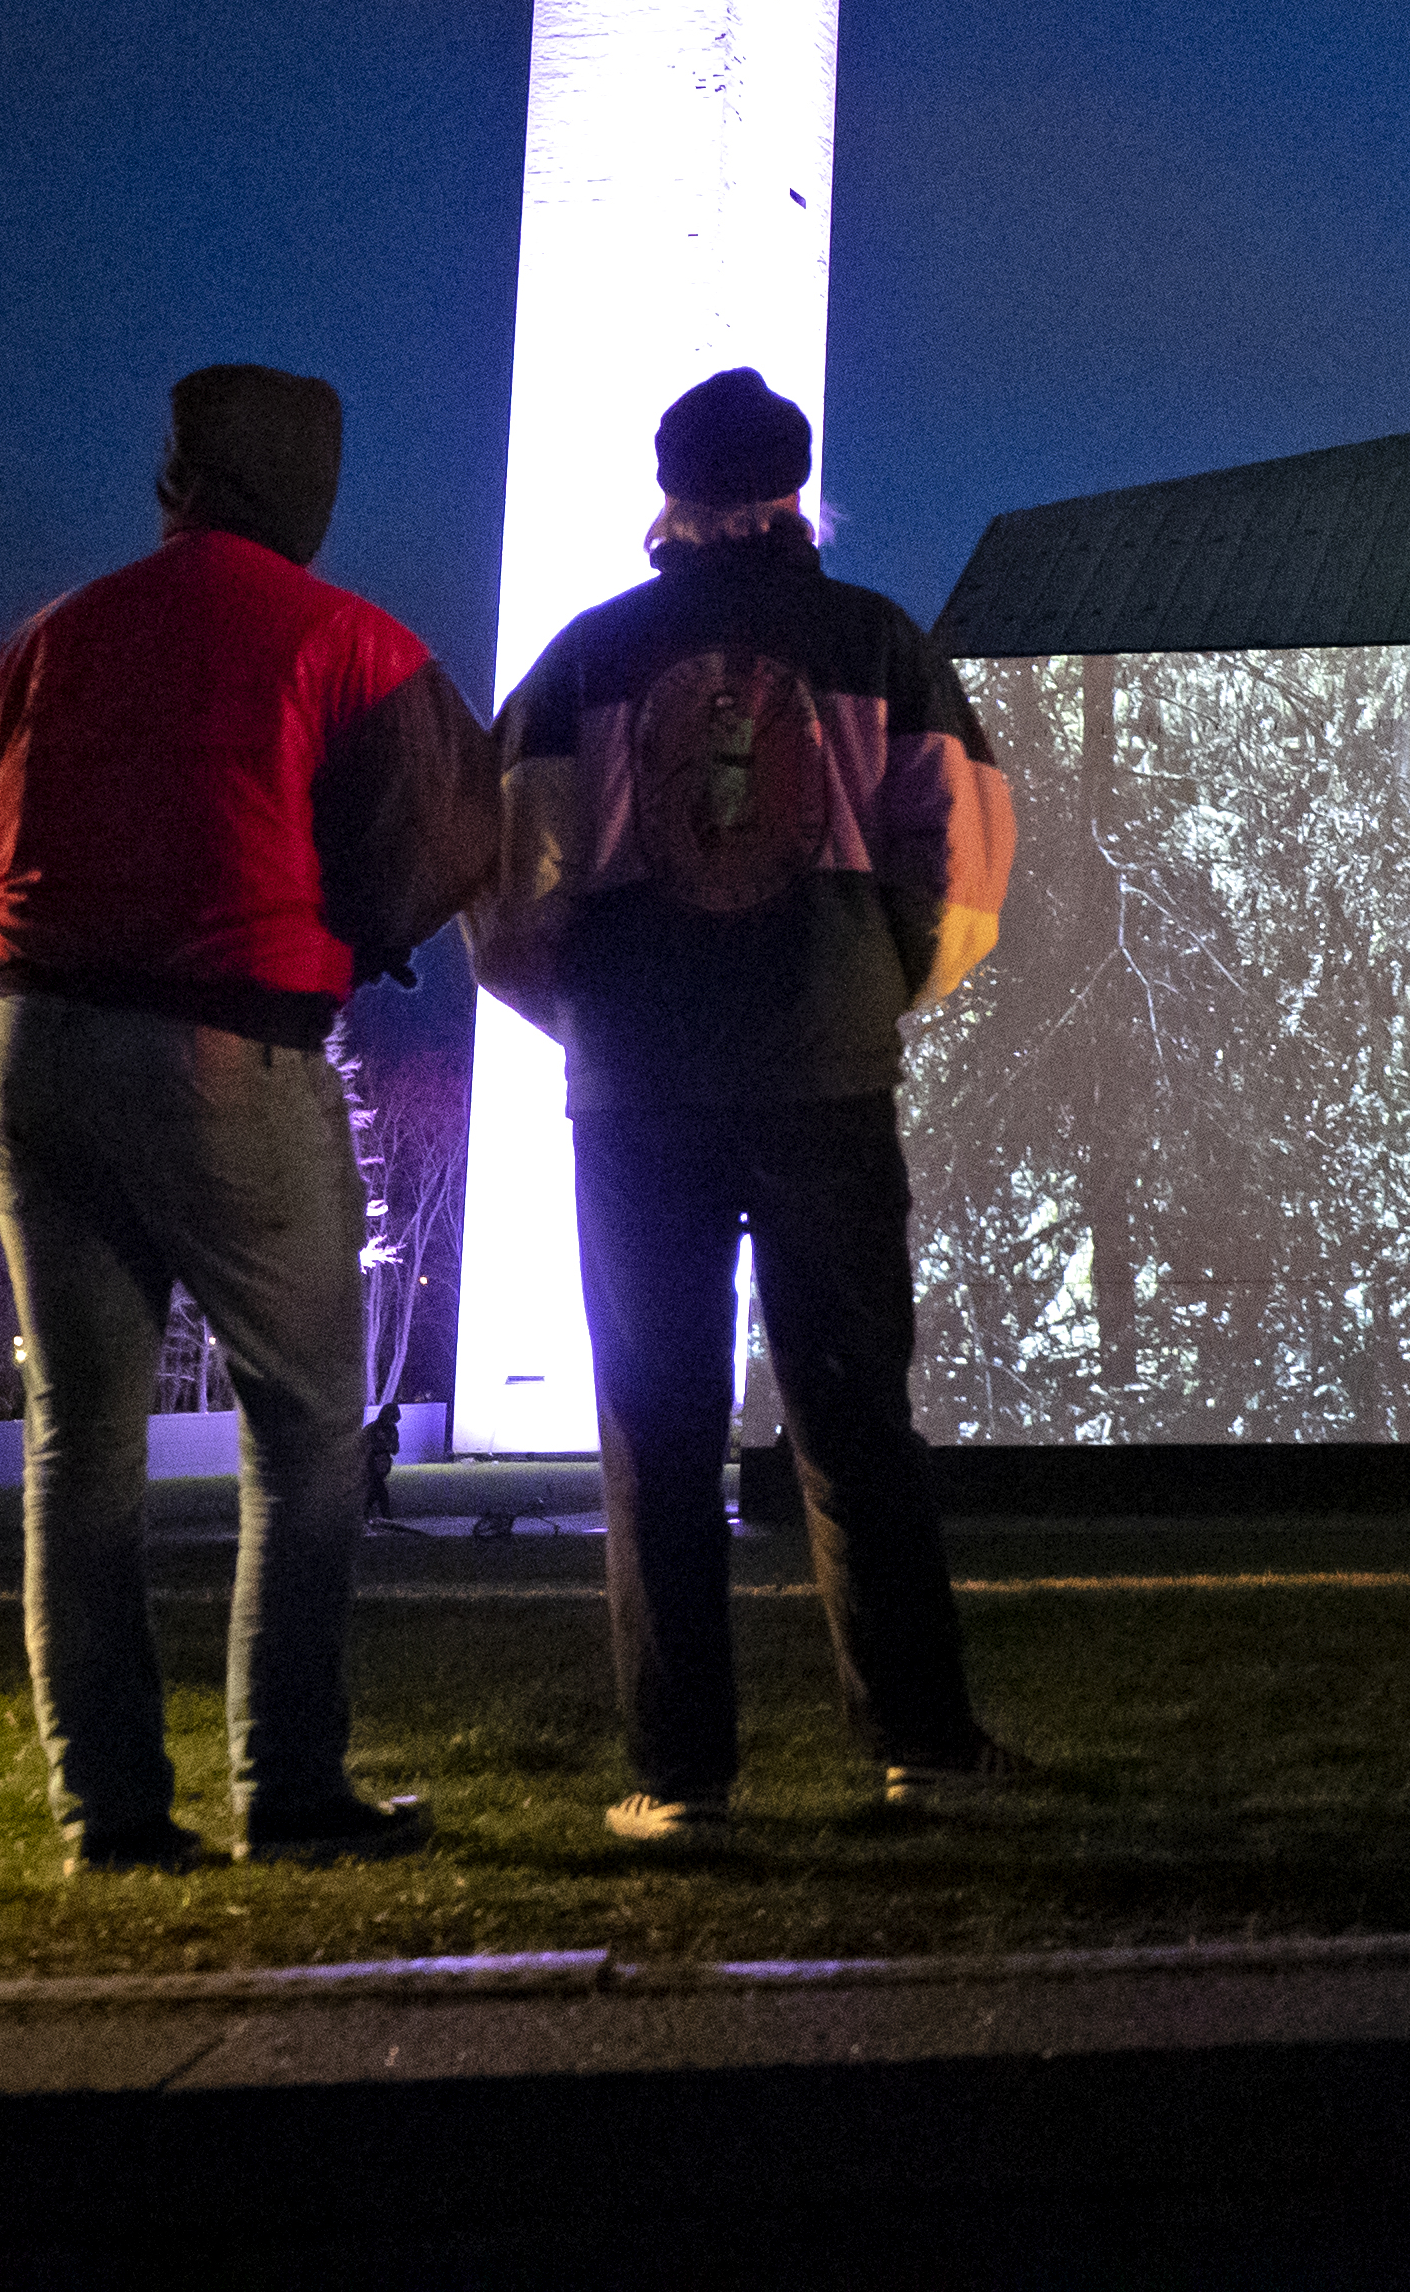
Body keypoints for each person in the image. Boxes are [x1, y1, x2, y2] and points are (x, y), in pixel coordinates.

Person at [0, 364, 491, 1875]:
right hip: (231, 1048)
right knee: (303, 1430)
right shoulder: (351, 645)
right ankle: (286, 1784)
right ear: (312, 483)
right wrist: (349, 941)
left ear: (173, 472)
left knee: (78, 1442)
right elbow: (428, 845)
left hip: (31, 1047)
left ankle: (107, 1807)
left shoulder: (47, 640)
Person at [472, 369, 1020, 1840]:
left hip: (638, 1088)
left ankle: (680, 1777)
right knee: (855, 1415)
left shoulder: (587, 659)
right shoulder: (876, 643)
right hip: (824, 1076)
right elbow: (965, 858)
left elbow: (504, 879)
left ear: (671, 494)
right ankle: (921, 1742)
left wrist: (585, 1013)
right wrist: (869, 989)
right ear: (796, 491)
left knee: (654, 1422)